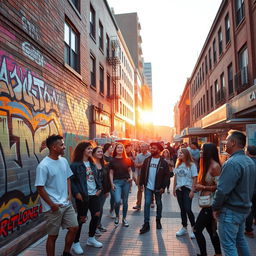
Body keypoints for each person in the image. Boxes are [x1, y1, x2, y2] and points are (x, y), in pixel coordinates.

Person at [212, 130, 256, 256]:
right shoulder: (249, 161)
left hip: (230, 211)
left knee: (229, 246)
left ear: (233, 142)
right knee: (240, 241)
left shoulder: (232, 163)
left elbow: (222, 190)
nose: (225, 143)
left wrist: (215, 207)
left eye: (227, 140)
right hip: (243, 209)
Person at [35, 134, 78, 256]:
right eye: (62, 145)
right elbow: (40, 187)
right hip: (53, 206)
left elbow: (68, 177)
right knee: (53, 236)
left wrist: (69, 194)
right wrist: (52, 205)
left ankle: (66, 252)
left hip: (66, 203)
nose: (64, 147)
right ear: (54, 147)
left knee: (74, 227)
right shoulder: (43, 166)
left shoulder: (63, 161)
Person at [70, 142, 103, 254]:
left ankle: (91, 238)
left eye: (91, 148)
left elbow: (97, 178)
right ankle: (76, 243)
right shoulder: (75, 165)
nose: (90, 151)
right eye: (88, 149)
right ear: (82, 150)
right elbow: (72, 181)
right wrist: (76, 193)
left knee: (96, 215)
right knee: (81, 219)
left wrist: (100, 188)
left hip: (94, 195)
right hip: (83, 196)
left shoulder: (92, 163)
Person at [194, 143, 222, 256]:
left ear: (208, 152)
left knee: (197, 230)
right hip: (206, 203)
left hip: (211, 204)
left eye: (202, 150)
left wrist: (204, 187)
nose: (200, 152)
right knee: (212, 231)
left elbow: (220, 187)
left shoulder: (215, 166)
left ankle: (204, 254)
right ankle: (218, 253)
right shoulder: (206, 165)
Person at [139, 142, 170, 234]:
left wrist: (163, 187)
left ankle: (158, 220)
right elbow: (143, 172)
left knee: (159, 204)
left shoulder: (163, 163)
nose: (151, 149)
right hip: (148, 186)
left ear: (159, 150)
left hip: (158, 187)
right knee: (147, 203)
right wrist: (141, 184)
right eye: (151, 148)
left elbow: (166, 176)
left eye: (154, 148)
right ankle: (146, 223)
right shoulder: (147, 160)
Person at [173, 148, 197, 239]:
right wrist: (174, 188)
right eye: (179, 152)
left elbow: (195, 178)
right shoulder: (178, 164)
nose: (179, 154)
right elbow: (175, 176)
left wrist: (192, 190)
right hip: (179, 189)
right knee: (182, 209)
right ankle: (184, 227)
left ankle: (194, 228)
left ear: (186, 154)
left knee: (188, 209)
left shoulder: (191, 165)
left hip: (187, 189)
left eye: (181, 153)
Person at [109, 143, 133, 227]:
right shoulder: (112, 160)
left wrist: (131, 177)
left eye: (121, 148)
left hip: (126, 182)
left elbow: (130, 170)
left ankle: (124, 219)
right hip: (116, 183)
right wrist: (111, 183)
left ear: (123, 150)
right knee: (117, 201)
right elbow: (111, 173)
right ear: (115, 149)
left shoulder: (127, 159)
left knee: (125, 201)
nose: (119, 149)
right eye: (118, 148)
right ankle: (117, 216)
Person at [92, 146, 111, 235]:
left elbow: (106, 178)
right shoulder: (90, 164)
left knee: (100, 208)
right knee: (95, 210)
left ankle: (98, 225)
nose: (100, 153)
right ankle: (94, 228)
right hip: (93, 191)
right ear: (94, 153)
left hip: (103, 191)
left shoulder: (104, 164)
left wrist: (107, 190)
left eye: (101, 152)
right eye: (98, 152)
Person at [133, 143, 151, 210]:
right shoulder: (138, 156)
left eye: (143, 147)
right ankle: (138, 204)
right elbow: (136, 165)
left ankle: (151, 201)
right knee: (139, 190)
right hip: (140, 175)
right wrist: (143, 164)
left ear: (147, 148)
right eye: (141, 147)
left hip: (149, 175)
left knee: (149, 189)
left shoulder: (150, 155)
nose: (142, 148)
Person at [245, 145, 256, 238]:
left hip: (250, 189)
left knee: (250, 209)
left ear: (248, 152)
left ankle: (249, 230)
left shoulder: (248, 163)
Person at [103, 143, 115, 219]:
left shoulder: (111, 158)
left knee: (114, 196)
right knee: (102, 200)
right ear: (107, 148)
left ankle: (111, 210)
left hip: (111, 180)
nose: (112, 149)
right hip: (103, 181)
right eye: (111, 148)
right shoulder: (101, 157)